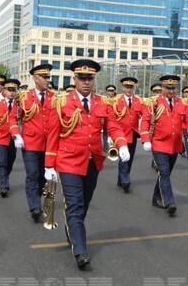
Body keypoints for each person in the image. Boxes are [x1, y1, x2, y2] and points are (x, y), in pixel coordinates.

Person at [44, 59, 130, 269]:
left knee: (85, 202)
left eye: (89, 78)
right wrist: (48, 165)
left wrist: (122, 144)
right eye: (82, 78)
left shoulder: (103, 102)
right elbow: (53, 134)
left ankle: (72, 230)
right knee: (74, 204)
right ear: (74, 79)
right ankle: (80, 251)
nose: (86, 82)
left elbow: (113, 125)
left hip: (92, 161)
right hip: (68, 161)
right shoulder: (61, 102)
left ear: (94, 80)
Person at [140, 75, 188, 216]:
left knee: (165, 173)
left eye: (173, 88)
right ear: (162, 88)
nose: (171, 91)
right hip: (159, 143)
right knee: (164, 172)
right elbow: (145, 121)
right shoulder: (154, 103)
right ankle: (170, 202)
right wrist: (146, 139)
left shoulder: (182, 103)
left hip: (175, 144)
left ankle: (156, 197)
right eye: (168, 88)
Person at [18, 64, 55, 221]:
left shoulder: (55, 97)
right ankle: (35, 206)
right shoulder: (24, 97)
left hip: (49, 144)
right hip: (31, 142)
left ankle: (37, 199)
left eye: (48, 77)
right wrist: (16, 135)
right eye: (44, 77)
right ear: (36, 79)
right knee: (33, 174)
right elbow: (15, 117)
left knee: (42, 177)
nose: (48, 80)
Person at [0, 79, 24, 198]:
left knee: (10, 161)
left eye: (14, 90)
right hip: (0, 137)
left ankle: (5, 177)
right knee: (2, 161)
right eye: (9, 90)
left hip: (14, 138)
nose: (12, 93)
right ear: (4, 91)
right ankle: (3, 185)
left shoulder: (20, 105)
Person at [113, 76, 144, 193]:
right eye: (127, 87)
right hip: (120, 134)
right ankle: (125, 180)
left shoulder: (139, 101)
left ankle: (121, 179)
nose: (129, 89)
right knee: (123, 158)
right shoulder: (116, 101)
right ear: (122, 88)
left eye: (131, 87)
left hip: (133, 134)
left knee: (129, 158)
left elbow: (144, 114)